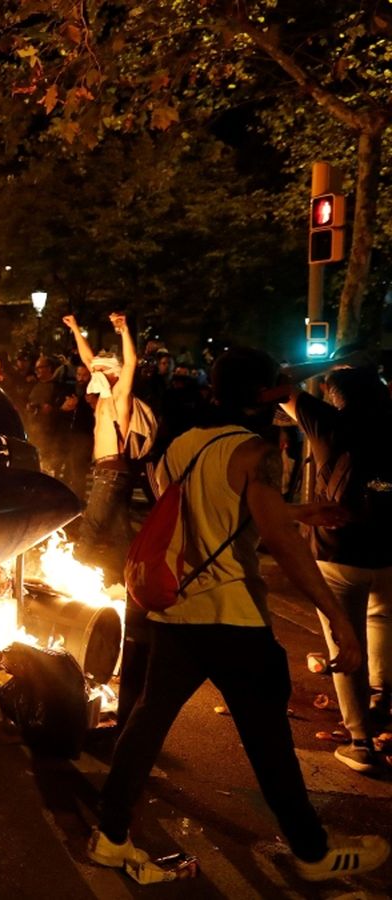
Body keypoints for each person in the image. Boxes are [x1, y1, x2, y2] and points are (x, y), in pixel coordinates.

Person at [90, 347, 386, 882]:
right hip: (234, 616)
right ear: (263, 394)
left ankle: (110, 836)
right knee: (270, 742)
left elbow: (211, 509)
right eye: (276, 387)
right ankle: (312, 852)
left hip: (177, 611)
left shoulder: (181, 445)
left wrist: (300, 510)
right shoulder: (254, 451)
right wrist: (337, 618)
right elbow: (277, 537)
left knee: (145, 724)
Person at [279, 363, 392, 772]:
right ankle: (381, 699)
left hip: (339, 550)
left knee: (345, 643)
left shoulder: (327, 421)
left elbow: (278, 381)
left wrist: (328, 363)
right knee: (382, 623)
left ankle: (361, 742)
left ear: (335, 395)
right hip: (388, 551)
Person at [64, 312, 148, 574]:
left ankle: (73, 572)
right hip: (110, 471)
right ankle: (134, 576)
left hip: (112, 472)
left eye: (100, 370)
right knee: (119, 530)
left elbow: (131, 362)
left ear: (114, 374)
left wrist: (124, 330)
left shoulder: (120, 395)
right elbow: (88, 359)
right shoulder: (104, 395)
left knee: (91, 524)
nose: (94, 371)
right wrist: (75, 328)